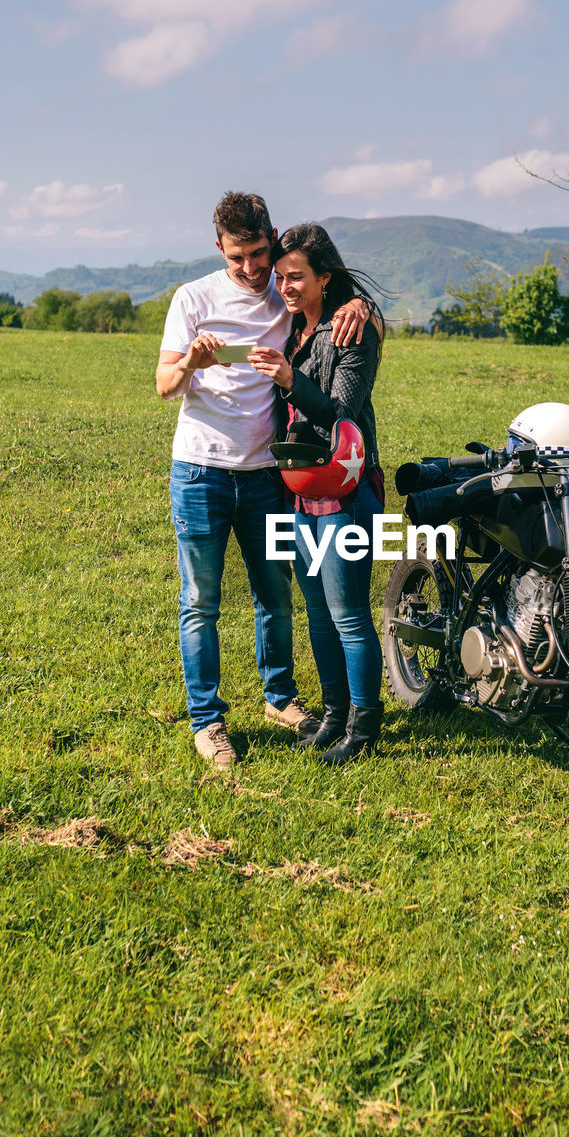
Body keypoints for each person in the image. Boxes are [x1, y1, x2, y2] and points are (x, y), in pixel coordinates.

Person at [156, 193, 369, 770]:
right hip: (199, 470)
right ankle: (208, 722)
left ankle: (280, 699)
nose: (251, 269)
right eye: (237, 258)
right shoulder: (193, 297)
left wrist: (362, 308)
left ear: (271, 239)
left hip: (267, 476)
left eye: (258, 253)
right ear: (217, 247)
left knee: (274, 597)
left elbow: (329, 298)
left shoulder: (283, 287)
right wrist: (190, 366)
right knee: (200, 600)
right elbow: (163, 385)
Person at [248, 223, 385, 767]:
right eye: (280, 277)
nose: (284, 286)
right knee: (317, 613)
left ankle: (364, 725)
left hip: (345, 491)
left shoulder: (351, 331)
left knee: (349, 614)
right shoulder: (293, 331)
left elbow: (342, 414)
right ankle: (333, 714)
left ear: (325, 277)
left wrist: (288, 379)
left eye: (296, 277)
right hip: (297, 493)